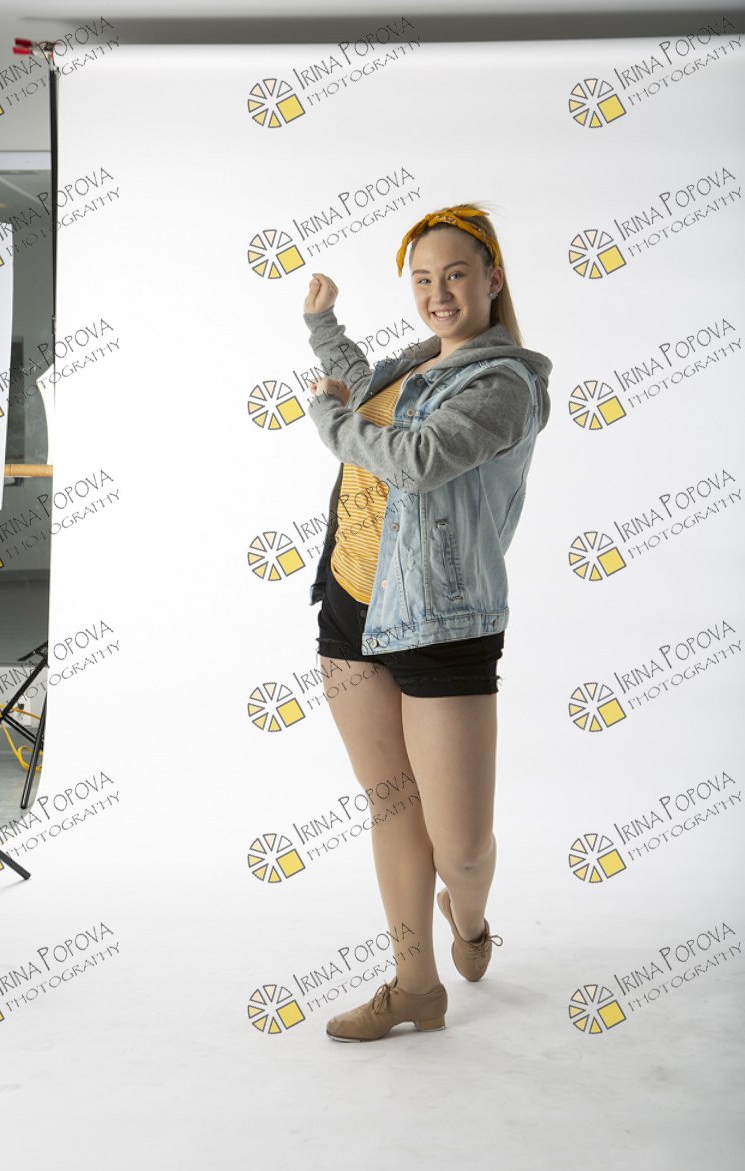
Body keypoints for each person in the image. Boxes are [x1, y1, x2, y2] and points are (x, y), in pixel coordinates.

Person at [302, 203, 552, 1041]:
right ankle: (415, 986)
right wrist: (323, 326)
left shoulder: (505, 384)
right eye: (422, 279)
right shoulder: (415, 362)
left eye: (454, 275)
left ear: (492, 279)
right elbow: (366, 388)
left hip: (442, 622)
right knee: (392, 806)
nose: (438, 293)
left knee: (462, 847)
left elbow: (418, 458)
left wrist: (329, 424)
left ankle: (468, 917)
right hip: (350, 606)